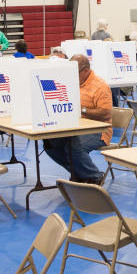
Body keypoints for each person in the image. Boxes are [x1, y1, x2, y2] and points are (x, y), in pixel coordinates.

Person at [43, 55, 112, 185]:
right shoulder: (71, 83)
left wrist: (82, 110)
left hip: (99, 130)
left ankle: (95, 176)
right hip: (75, 127)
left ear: (85, 70)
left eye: (74, 71)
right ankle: (79, 173)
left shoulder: (100, 86)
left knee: (74, 146)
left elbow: (105, 113)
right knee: (50, 144)